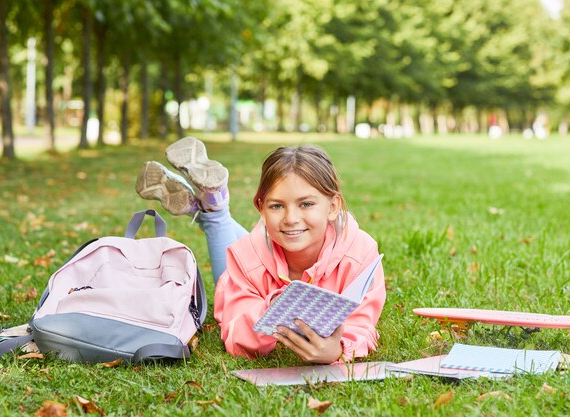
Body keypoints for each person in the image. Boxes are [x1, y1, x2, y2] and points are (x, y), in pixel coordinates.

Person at [136, 136, 386, 364]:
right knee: (247, 256)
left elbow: (363, 323)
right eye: (276, 206)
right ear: (261, 209)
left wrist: (340, 350)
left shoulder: (360, 252)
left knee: (259, 240)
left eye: (306, 204)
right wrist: (272, 312)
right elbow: (234, 333)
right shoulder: (245, 257)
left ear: (332, 207)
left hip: (266, 253)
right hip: (250, 274)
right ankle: (213, 206)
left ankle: (213, 206)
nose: (291, 218)